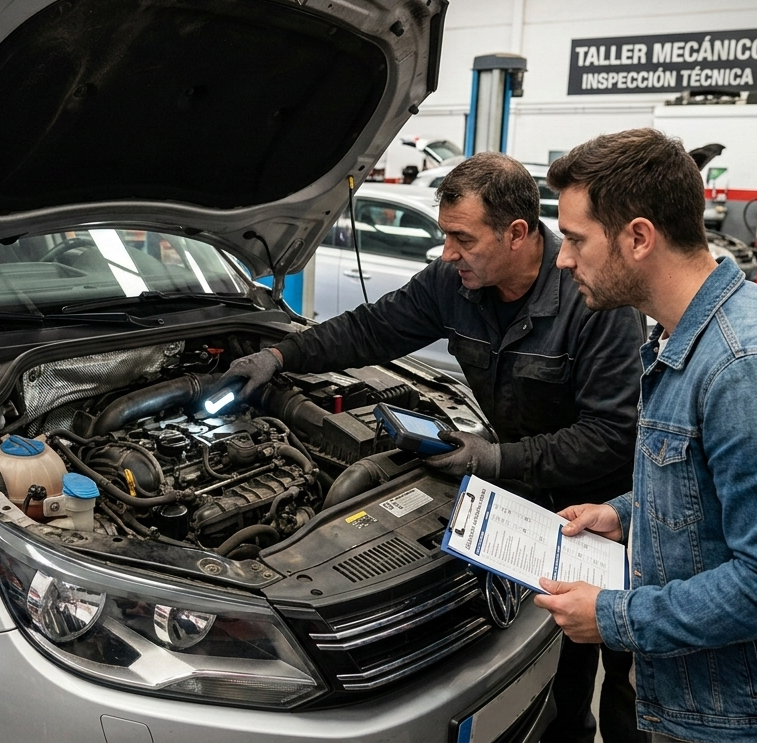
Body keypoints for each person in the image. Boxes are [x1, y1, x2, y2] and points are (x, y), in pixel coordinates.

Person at [223, 152, 647, 743]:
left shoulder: (592, 298)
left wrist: (490, 459)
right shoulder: (456, 284)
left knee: (591, 677)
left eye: (461, 238)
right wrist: (280, 356)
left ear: (517, 234)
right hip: (517, 499)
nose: (447, 252)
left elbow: (612, 435)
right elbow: (370, 329)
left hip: (599, 519)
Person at [533, 128, 757, 743]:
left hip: (752, 719)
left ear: (638, 237)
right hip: (713, 699)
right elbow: (710, 484)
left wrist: (613, 616)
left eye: (576, 240)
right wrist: (624, 513)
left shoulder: (750, 370)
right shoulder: (688, 335)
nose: (562, 258)